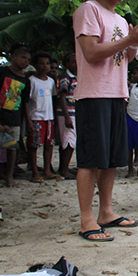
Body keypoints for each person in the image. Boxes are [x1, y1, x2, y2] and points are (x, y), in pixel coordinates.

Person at [73, 0, 138, 241]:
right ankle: (87, 219)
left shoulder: (120, 20)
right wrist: (128, 39)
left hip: (116, 93)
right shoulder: (89, 10)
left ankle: (105, 212)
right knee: (89, 160)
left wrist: (134, 41)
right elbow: (91, 53)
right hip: (93, 94)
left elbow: (124, 59)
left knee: (109, 159)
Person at [0, 43, 32, 187]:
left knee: (12, 147)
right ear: (13, 57)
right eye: (23, 57)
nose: (26, 61)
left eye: (28, 59)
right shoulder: (0, 73)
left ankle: (9, 176)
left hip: (15, 116)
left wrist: (28, 121)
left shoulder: (25, 80)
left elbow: (25, 102)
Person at [27, 52, 58, 183]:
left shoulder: (51, 81)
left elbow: (53, 99)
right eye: (41, 63)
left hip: (49, 117)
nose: (45, 66)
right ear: (35, 65)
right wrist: (28, 120)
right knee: (34, 145)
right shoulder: (31, 81)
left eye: (47, 63)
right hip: (36, 116)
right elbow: (27, 101)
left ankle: (47, 170)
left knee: (49, 144)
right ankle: (34, 172)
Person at [56, 52, 77, 180]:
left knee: (67, 141)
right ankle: (64, 170)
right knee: (69, 141)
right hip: (67, 114)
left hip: (74, 112)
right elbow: (62, 97)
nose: (76, 64)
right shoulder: (66, 78)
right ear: (67, 64)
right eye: (73, 61)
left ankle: (64, 167)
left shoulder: (77, 77)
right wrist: (67, 116)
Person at [126, 68, 138, 178]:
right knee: (129, 147)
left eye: (135, 73)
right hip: (130, 117)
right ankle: (130, 168)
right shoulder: (132, 87)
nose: (132, 76)